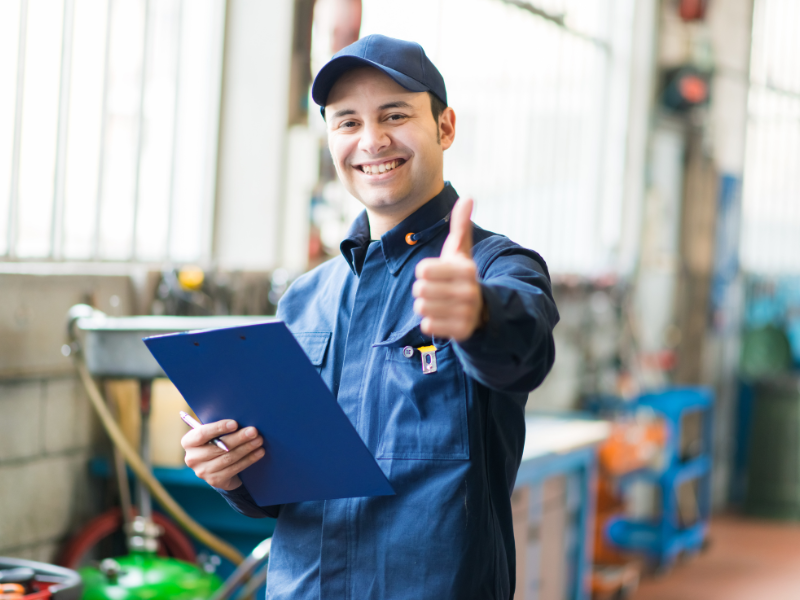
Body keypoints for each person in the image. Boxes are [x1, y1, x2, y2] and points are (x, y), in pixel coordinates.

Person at [182, 34, 559, 599]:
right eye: (347, 122)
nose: (372, 141)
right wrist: (231, 472)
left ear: (445, 127)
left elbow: (523, 350)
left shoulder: (493, 267)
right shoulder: (305, 299)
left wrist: (477, 313)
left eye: (395, 115)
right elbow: (284, 487)